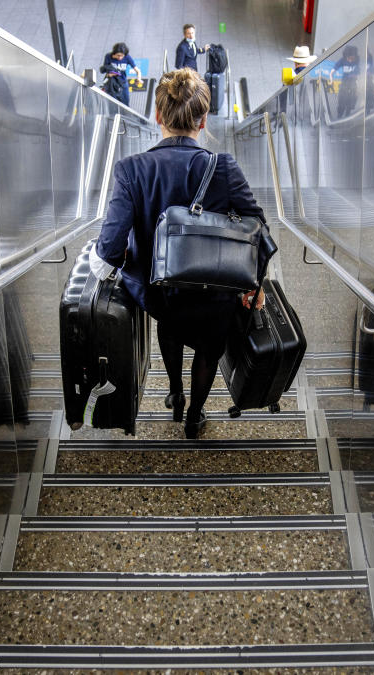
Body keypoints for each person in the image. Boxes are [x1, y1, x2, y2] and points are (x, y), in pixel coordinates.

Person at [89, 68, 269, 438]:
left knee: (169, 330)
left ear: (158, 116)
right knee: (209, 348)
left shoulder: (130, 170)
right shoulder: (224, 167)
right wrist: (257, 281)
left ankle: (174, 392)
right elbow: (258, 229)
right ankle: (196, 416)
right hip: (216, 290)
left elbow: (109, 248)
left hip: (160, 294)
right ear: (203, 121)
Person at [100, 42, 143, 106]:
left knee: (125, 102)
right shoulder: (108, 56)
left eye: (122, 55)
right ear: (114, 53)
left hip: (123, 82)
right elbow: (105, 69)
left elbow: (138, 71)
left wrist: (139, 79)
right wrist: (110, 74)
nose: (120, 57)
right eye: (118, 55)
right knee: (113, 102)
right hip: (112, 83)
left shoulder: (127, 57)